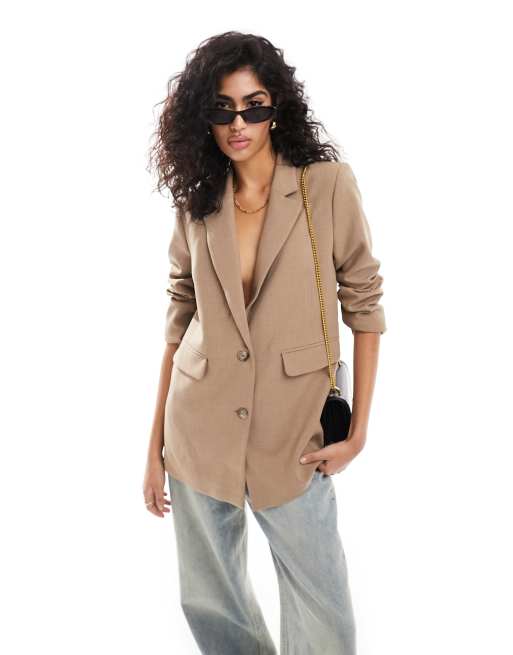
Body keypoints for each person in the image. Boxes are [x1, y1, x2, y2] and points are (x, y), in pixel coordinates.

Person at [144, 31, 386, 655]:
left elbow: (364, 305)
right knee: (212, 603)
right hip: (198, 430)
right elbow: (179, 319)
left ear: (277, 106)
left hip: (295, 433)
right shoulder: (197, 201)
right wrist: (153, 450)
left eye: (253, 106)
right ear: (203, 116)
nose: (238, 123)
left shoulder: (325, 185)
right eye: (222, 108)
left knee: (325, 613)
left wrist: (359, 431)